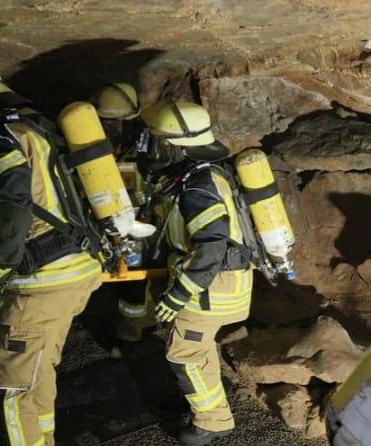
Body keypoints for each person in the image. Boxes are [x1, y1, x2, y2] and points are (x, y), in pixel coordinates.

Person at [0, 59, 103, 446]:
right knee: (37, 374)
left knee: (8, 391)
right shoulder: (37, 129)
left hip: (43, 280)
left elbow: (13, 217)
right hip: (76, 266)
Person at [141, 100, 254, 445]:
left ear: (175, 144)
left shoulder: (197, 185)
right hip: (222, 283)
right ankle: (204, 405)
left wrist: (178, 295)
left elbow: (211, 246)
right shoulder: (207, 173)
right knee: (197, 348)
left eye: (160, 141)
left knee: (185, 352)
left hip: (213, 288)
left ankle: (213, 422)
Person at [91, 82, 163, 351]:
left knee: (134, 279)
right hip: (102, 215)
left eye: (119, 120)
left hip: (137, 219)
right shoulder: (91, 138)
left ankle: (133, 332)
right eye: (109, 121)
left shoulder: (145, 139)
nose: (114, 126)